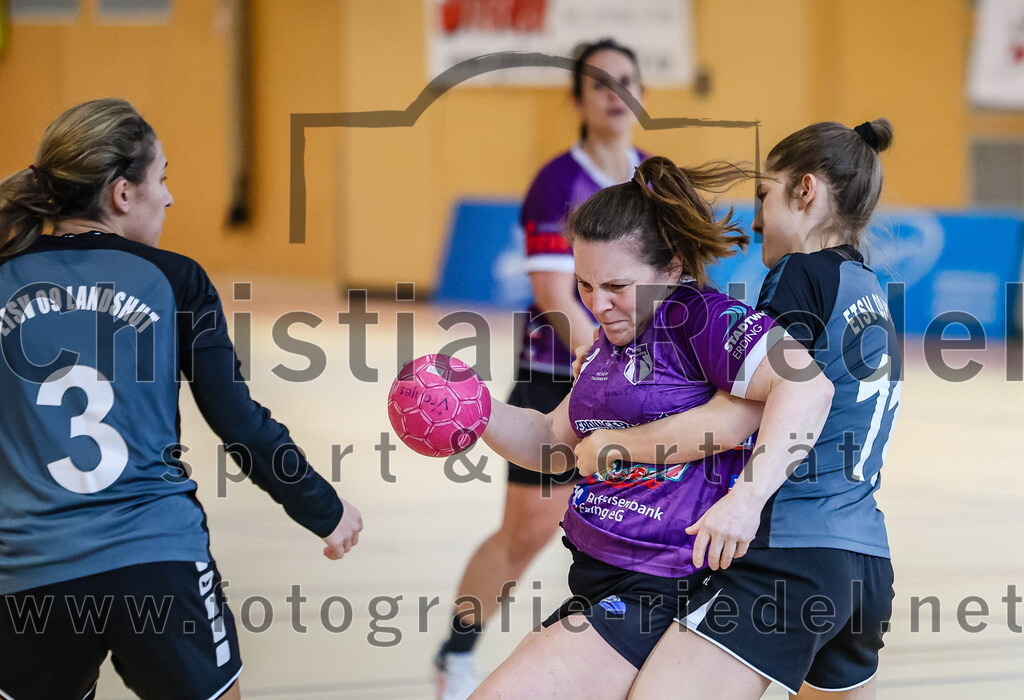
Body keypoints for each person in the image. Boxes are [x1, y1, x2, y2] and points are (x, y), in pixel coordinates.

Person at [0, 98, 363, 700]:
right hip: (156, 557)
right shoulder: (176, 279)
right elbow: (240, 424)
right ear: (121, 193)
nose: (168, 197)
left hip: (31, 573)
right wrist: (322, 507)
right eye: (161, 179)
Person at [466, 155, 835, 698]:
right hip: (598, 579)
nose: (597, 304)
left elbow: (808, 385)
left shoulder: (699, 317)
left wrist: (747, 500)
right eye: (585, 285)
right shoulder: (607, 345)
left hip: (662, 588)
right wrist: (472, 406)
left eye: (616, 285)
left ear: (672, 266)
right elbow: (552, 443)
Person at [580, 120, 901, 699]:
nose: (754, 219)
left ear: (805, 191)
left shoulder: (801, 274)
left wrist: (613, 446)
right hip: (864, 563)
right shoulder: (869, 290)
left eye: (764, 193)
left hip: (791, 551)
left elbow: (743, 413)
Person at [434, 38, 649, 699]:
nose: (615, 92)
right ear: (579, 99)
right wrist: (607, 366)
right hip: (560, 373)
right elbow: (558, 297)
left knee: (640, 525)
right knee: (528, 530)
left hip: (639, 381)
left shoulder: (652, 179)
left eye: (626, 79)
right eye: (600, 83)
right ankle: (456, 652)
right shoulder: (559, 181)